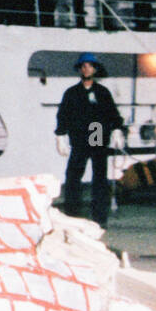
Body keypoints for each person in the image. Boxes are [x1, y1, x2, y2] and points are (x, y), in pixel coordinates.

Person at [55, 52, 125, 226]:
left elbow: (112, 113)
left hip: (96, 133)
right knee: (73, 176)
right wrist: (60, 135)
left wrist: (117, 129)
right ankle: (71, 215)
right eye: (84, 66)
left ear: (95, 69)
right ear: (80, 69)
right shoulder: (71, 93)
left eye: (90, 66)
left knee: (99, 177)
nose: (87, 69)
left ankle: (99, 218)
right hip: (79, 136)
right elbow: (63, 115)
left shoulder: (102, 92)